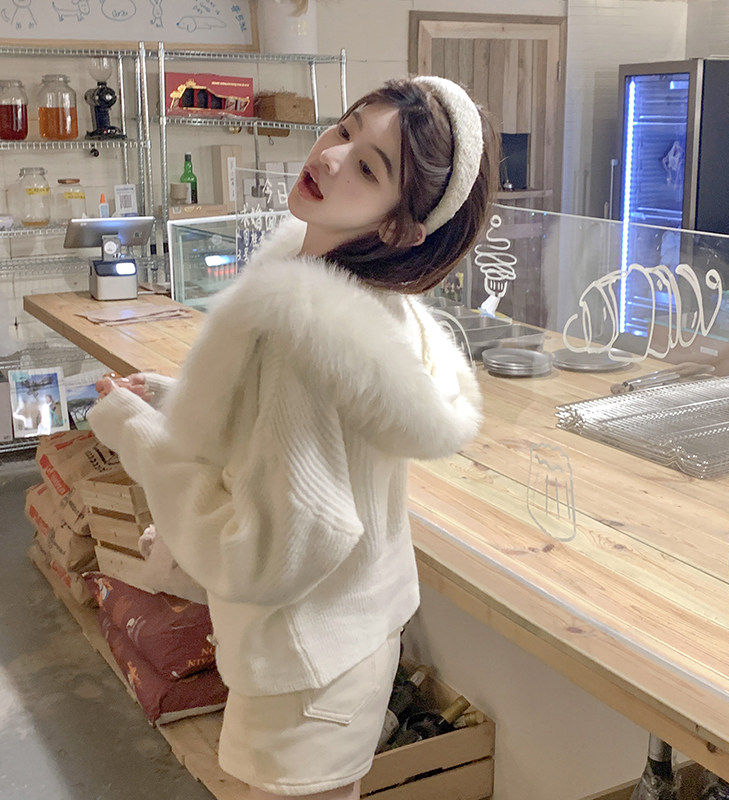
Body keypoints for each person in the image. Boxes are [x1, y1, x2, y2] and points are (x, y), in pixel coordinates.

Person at [88, 75, 498, 800]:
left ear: (400, 227)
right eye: (346, 128)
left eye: (368, 167)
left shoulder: (304, 331)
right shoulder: (358, 304)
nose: (332, 156)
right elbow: (291, 437)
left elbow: (270, 549)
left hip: (306, 669)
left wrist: (140, 436)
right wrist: (169, 400)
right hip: (342, 642)